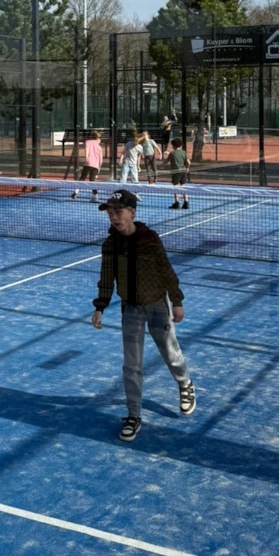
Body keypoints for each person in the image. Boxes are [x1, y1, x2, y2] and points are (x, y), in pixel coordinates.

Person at [90, 189, 195, 442]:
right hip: (131, 310)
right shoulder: (110, 245)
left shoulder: (149, 239)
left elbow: (166, 270)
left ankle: (185, 384)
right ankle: (133, 415)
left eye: (118, 211)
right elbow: (107, 276)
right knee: (132, 365)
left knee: (170, 354)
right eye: (110, 212)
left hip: (158, 306)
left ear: (132, 213)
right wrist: (100, 306)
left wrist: (177, 301)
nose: (113, 217)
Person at [165, 137, 191, 209]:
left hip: (176, 172)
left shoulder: (172, 153)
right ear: (181, 145)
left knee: (175, 187)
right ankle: (186, 202)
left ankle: (177, 203)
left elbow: (166, 162)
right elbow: (188, 162)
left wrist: (161, 165)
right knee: (183, 186)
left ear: (173, 146)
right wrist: (187, 168)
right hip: (183, 171)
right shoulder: (184, 152)